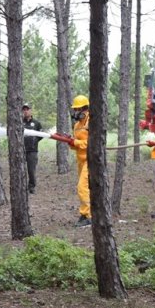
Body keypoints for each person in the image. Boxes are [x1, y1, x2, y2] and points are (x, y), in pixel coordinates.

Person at [69, 95, 91, 227]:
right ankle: (90, 213)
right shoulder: (77, 125)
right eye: (75, 109)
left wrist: (76, 142)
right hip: (80, 160)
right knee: (87, 188)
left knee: (82, 187)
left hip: (91, 159)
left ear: (85, 108)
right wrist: (69, 142)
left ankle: (86, 215)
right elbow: (75, 144)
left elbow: (92, 142)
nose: (76, 112)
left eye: (78, 109)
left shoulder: (91, 122)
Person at [22, 103, 43, 194]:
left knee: (31, 170)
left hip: (32, 151)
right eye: (24, 110)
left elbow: (41, 135)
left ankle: (31, 187)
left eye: (27, 109)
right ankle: (21, 186)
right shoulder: (19, 122)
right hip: (21, 151)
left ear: (31, 111)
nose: (26, 111)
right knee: (20, 170)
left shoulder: (37, 123)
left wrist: (34, 141)